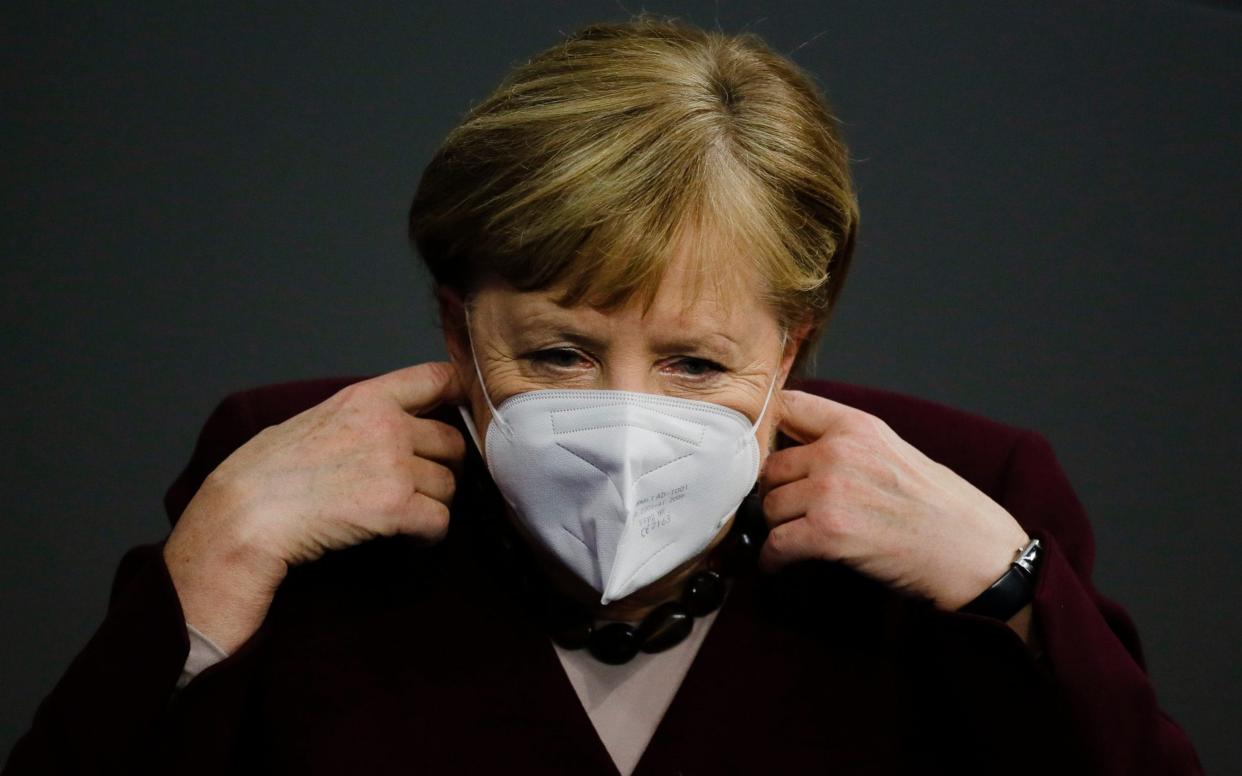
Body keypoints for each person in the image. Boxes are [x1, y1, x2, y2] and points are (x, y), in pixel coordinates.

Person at [4, 16, 1203, 776]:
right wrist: (209, 571)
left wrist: (1016, 592)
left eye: (692, 363)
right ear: (455, 325)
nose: (624, 422)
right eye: (560, 354)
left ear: (794, 344)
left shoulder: (977, 490)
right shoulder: (286, 468)